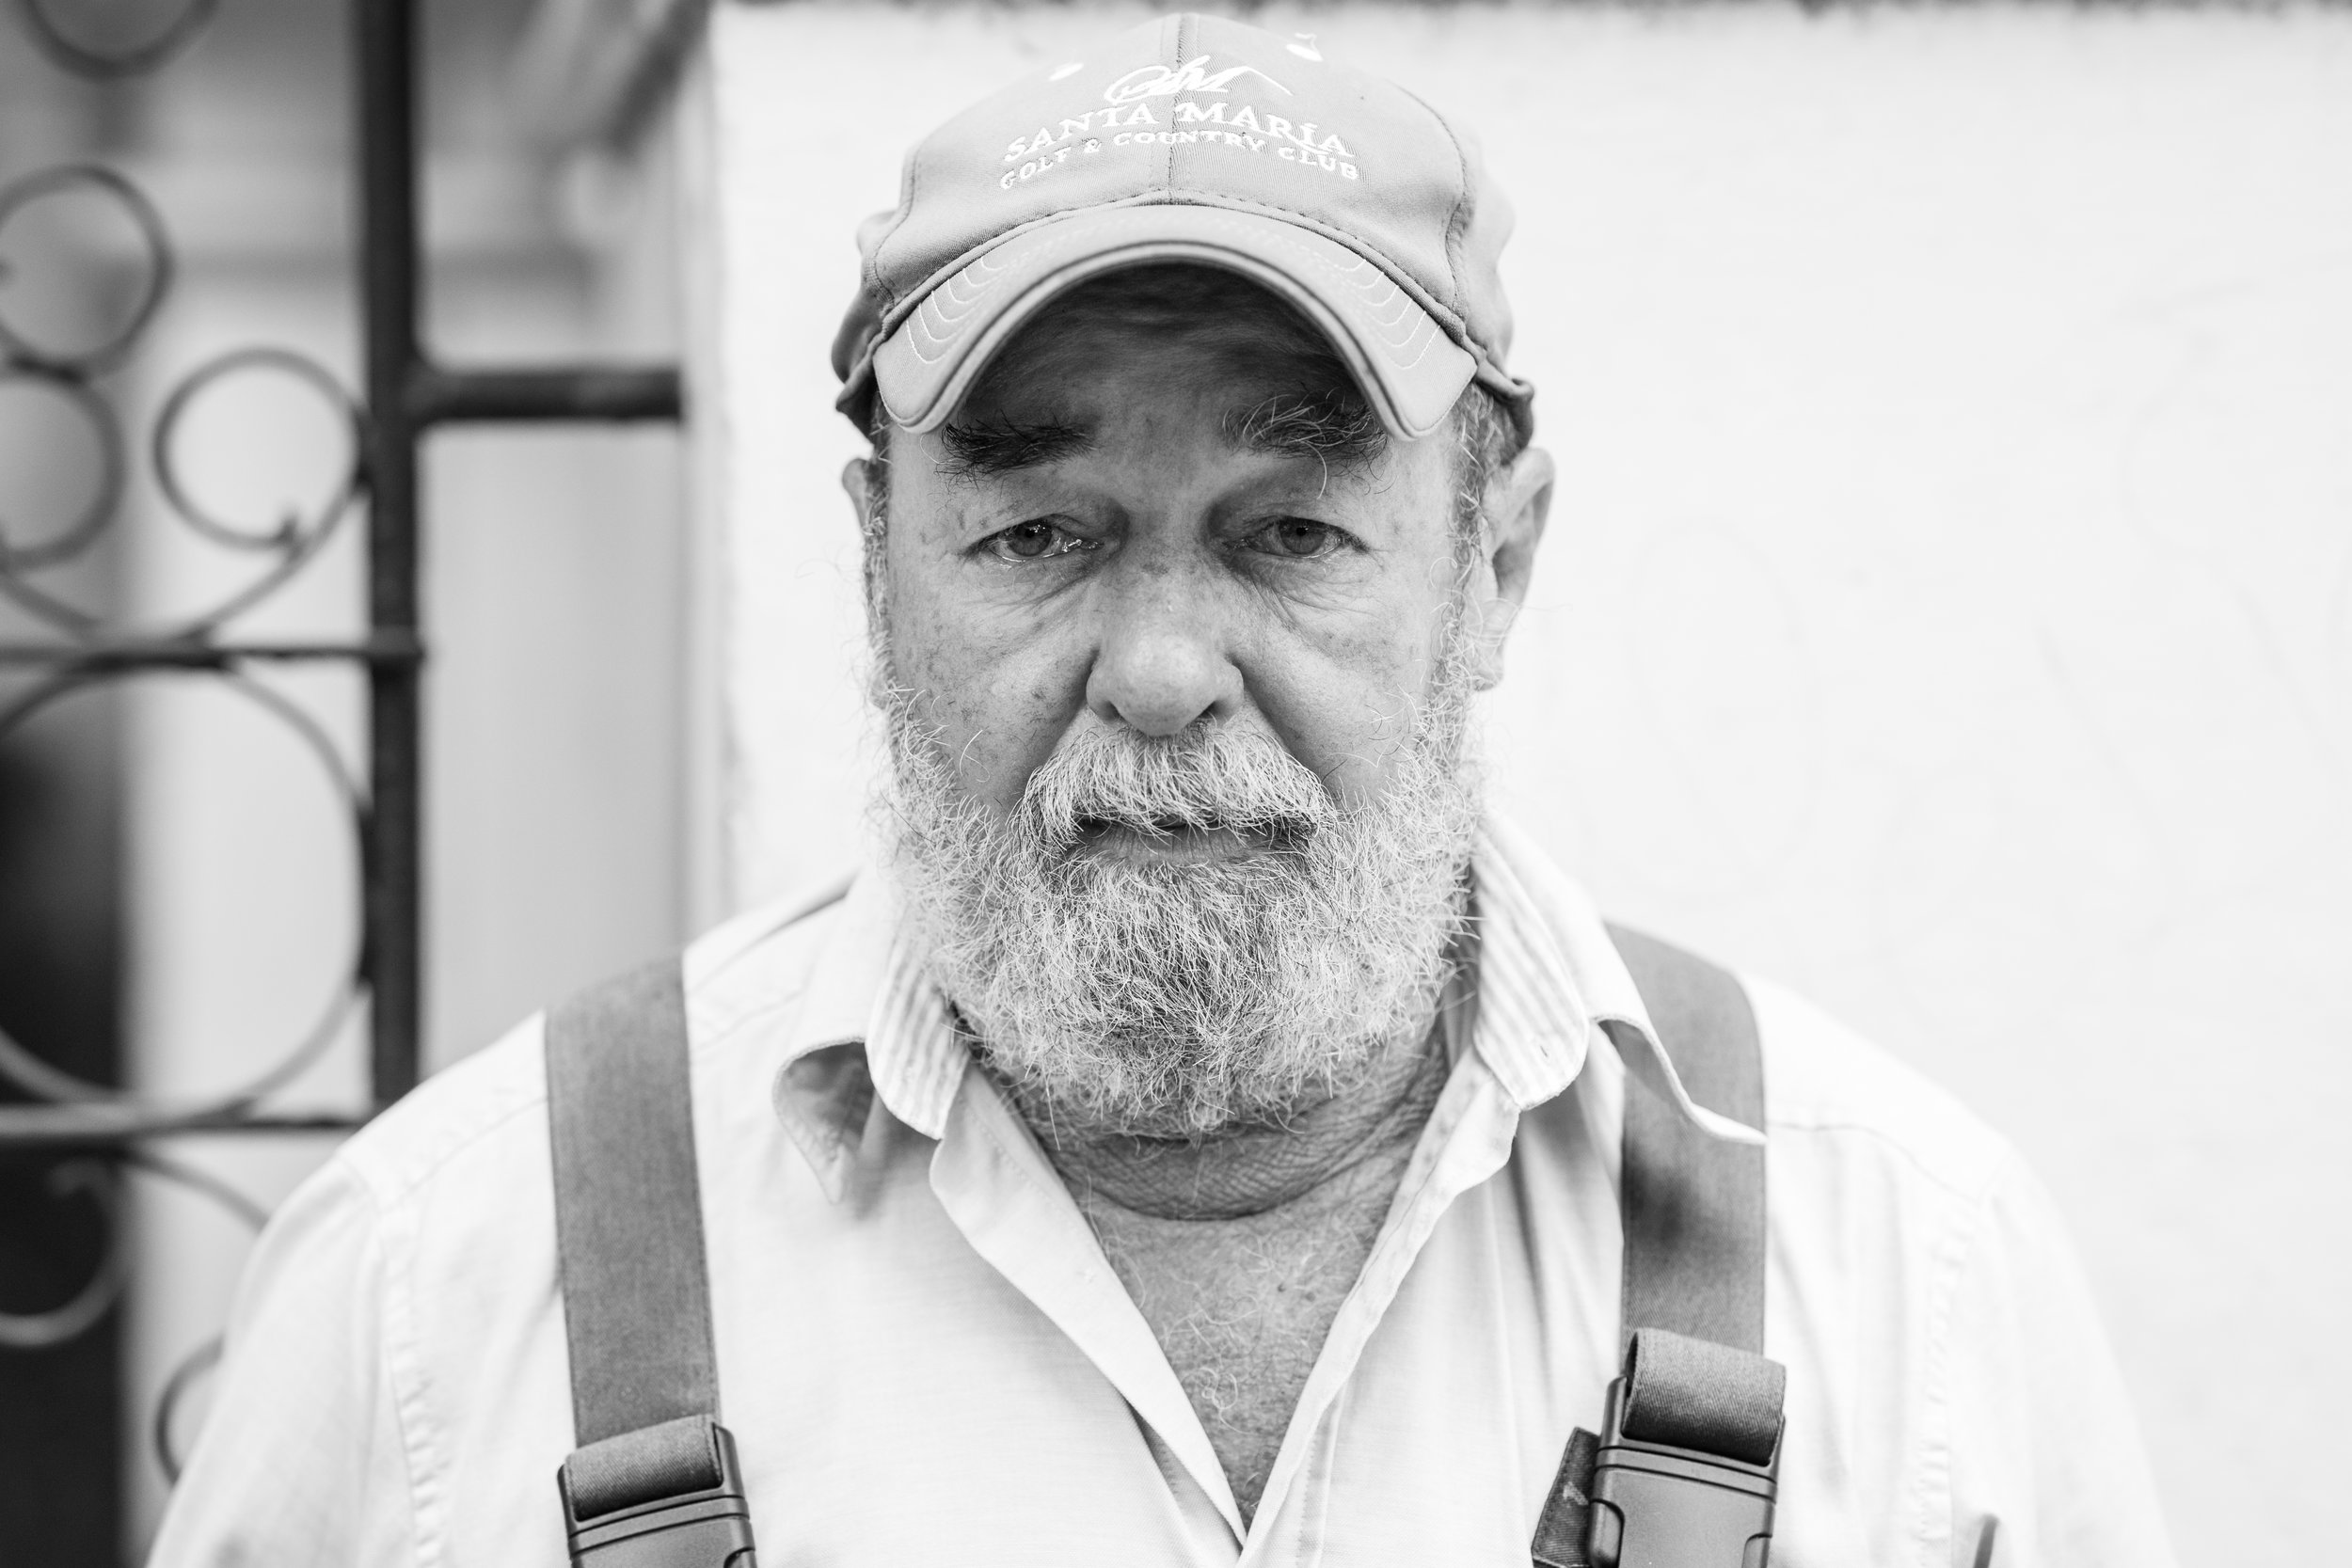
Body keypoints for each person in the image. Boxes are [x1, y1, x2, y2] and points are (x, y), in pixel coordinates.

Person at [150, 14, 2175, 1566]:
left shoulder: (1909, 1289)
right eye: (1035, 532)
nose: (1159, 671)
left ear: (1497, 567)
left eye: (1290, 532)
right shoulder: (437, 1302)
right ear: (876, 571)